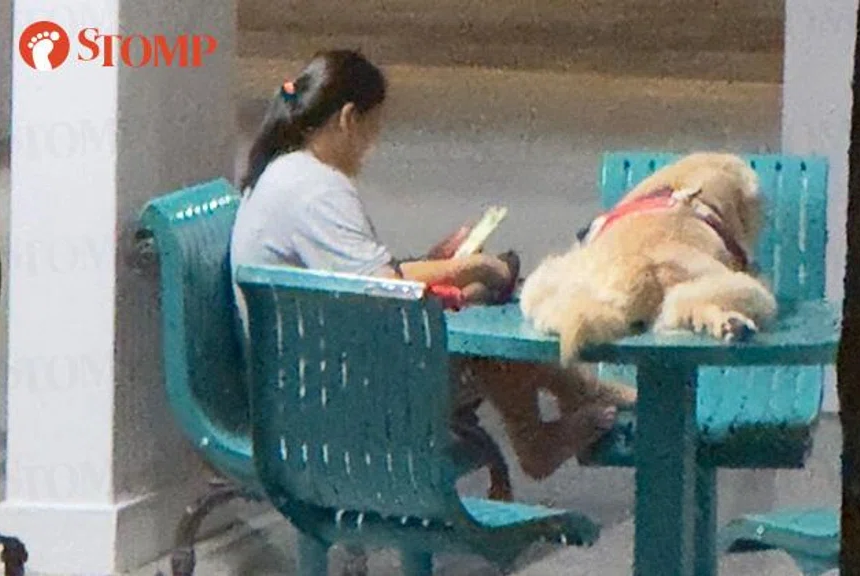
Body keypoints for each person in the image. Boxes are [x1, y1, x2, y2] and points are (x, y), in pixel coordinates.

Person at [230, 49, 636, 490]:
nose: (373, 144)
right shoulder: (317, 188)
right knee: (480, 311)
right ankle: (545, 428)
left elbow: (354, 274)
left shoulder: (285, 171)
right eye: (374, 127)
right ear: (349, 119)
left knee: (472, 302)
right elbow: (380, 286)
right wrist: (472, 266)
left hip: (305, 366)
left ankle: (571, 396)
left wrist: (442, 262)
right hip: (331, 394)